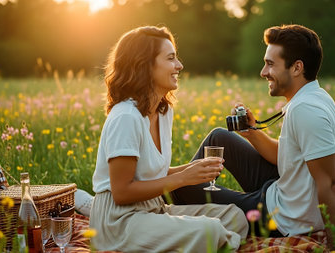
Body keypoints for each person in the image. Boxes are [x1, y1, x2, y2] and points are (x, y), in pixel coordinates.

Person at [170, 24, 335, 250]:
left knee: (181, 186)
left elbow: (329, 183)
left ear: (297, 68)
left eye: (270, 64)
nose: (263, 72)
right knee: (219, 137)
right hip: (283, 189)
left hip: (282, 218)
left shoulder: (306, 110)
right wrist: (252, 133)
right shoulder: (314, 96)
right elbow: (286, 157)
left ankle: (168, 218)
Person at [89, 26, 248, 252]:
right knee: (210, 230)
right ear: (144, 65)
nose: (179, 66)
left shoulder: (163, 112)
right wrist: (183, 178)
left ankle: (215, 242)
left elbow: (149, 173)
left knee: (235, 217)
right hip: (119, 221)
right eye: (171, 58)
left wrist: (193, 170)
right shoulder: (126, 117)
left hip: (154, 209)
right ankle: (217, 242)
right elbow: (122, 192)